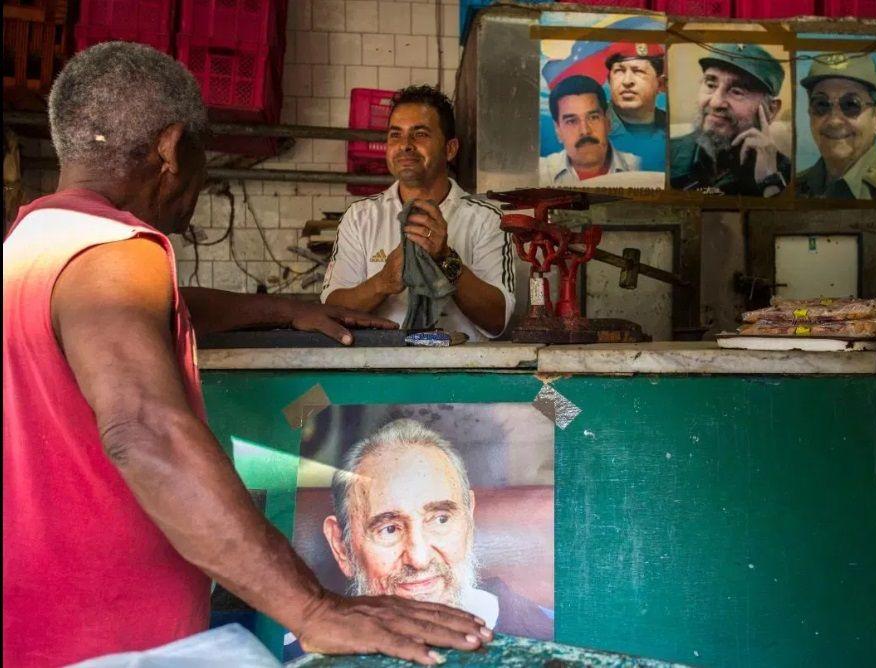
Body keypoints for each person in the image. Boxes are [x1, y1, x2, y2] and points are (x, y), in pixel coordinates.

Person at [3, 42, 491, 667]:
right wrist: (312, 608)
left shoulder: (39, 238)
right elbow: (145, 431)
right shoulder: (118, 253)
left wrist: (283, 308)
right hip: (111, 639)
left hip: (43, 622)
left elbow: (160, 309)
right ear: (173, 149)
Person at [310, 419, 553, 650]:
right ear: (341, 547)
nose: (419, 559)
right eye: (389, 529)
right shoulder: (299, 655)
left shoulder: (550, 641)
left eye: (440, 519)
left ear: (468, 520)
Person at [321, 86, 515, 340]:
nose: (405, 146)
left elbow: (497, 321)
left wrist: (446, 259)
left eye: (420, 134)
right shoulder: (360, 217)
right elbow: (330, 311)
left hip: (460, 372)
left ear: (450, 149)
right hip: (378, 373)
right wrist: (383, 282)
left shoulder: (487, 219)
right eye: (395, 135)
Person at [669, 44, 791, 197]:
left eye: (737, 92)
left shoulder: (788, 175)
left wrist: (770, 181)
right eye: (711, 85)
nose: (715, 102)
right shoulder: (666, 155)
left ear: (771, 110)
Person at [795, 53, 876, 201]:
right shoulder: (793, 189)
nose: (834, 121)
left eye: (851, 105)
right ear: (810, 113)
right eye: (821, 104)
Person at [539, 75, 642, 184]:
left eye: (593, 117)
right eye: (571, 121)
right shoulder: (539, 173)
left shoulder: (641, 169)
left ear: (608, 121)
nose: (585, 131)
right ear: (557, 130)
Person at [604, 43, 667, 172]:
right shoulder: (593, 127)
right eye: (619, 71)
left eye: (638, 71)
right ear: (610, 81)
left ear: (660, 84)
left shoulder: (670, 127)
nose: (627, 81)